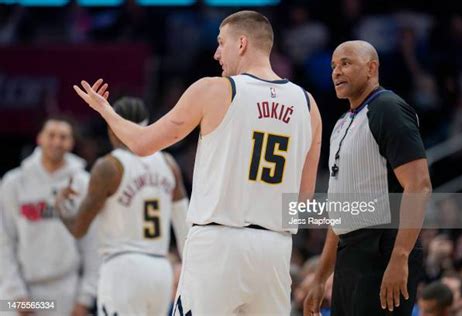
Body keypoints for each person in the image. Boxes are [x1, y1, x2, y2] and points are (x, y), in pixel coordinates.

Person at [73, 10, 322, 316]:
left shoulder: (215, 89)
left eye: (221, 43)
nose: (217, 53)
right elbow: (304, 199)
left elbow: (142, 144)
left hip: (218, 243)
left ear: (241, 43)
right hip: (275, 248)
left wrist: (106, 112)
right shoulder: (308, 105)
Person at [304, 40, 432, 316]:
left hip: (384, 249)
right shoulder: (340, 124)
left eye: (346, 63)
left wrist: (400, 257)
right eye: (333, 66)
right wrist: (319, 277)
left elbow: (419, 186)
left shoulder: (388, 109)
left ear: (372, 68)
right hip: (350, 254)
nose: (336, 72)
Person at [55, 97, 190, 316]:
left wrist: (61, 206)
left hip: (122, 268)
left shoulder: (109, 166)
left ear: (113, 125)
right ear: (147, 124)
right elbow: (185, 229)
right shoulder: (168, 164)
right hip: (161, 270)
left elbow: (79, 228)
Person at [0, 116, 99, 316]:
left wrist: (85, 297)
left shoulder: (83, 183)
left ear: (71, 142)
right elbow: (4, 241)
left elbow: (93, 243)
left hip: (65, 291)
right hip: (17, 290)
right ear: (39, 139)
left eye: (63, 137)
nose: (56, 141)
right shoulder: (13, 182)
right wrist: (16, 293)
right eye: (51, 135)